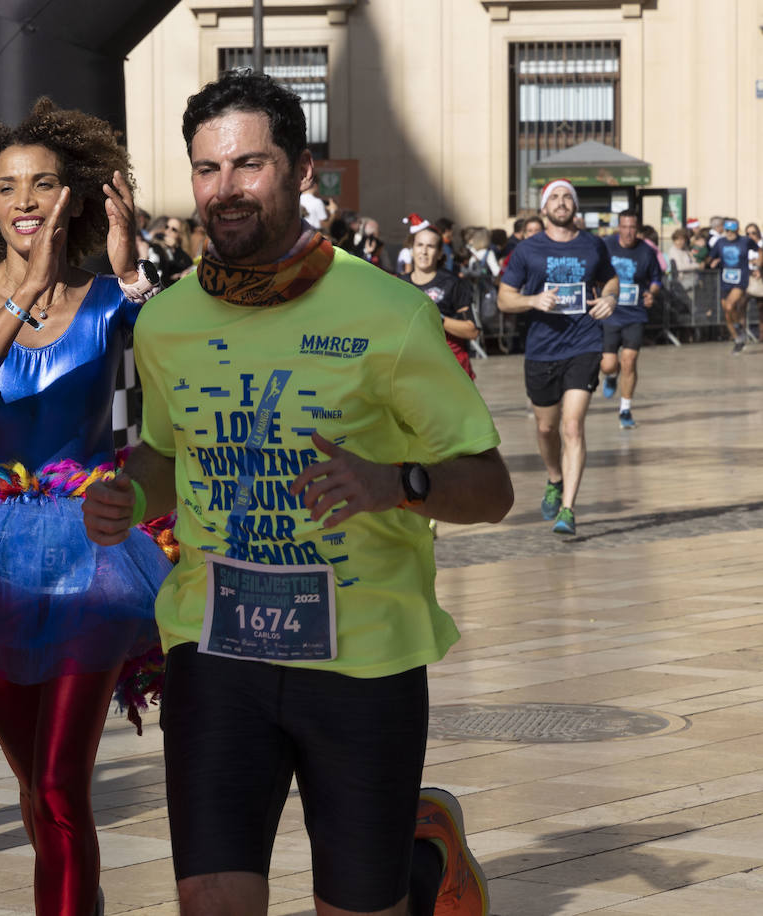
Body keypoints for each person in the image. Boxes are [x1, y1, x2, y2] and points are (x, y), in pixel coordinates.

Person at [84, 70, 512, 916]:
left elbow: (491, 488)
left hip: (361, 661)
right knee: (211, 901)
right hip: (215, 647)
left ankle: (419, 865)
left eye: (249, 165)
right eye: (208, 169)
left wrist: (398, 483)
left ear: (302, 170)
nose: (225, 190)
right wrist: (126, 495)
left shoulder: (389, 314)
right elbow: (168, 455)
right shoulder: (166, 322)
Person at [0, 98, 170, 916]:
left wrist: (127, 273)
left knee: (58, 785)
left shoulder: (111, 301)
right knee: (33, 786)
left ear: (72, 199)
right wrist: (24, 297)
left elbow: (165, 371)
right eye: (8, 186)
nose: (24, 201)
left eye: (43, 184)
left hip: (89, 546)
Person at [498, 179, 617, 535]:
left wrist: (611, 298)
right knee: (547, 428)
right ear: (544, 208)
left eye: (568, 197)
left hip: (584, 344)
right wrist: (533, 301)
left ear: (575, 207)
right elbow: (505, 298)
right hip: (541, 349)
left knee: (572, 426)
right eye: (555, 198)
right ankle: (554, 477)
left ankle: (568, 509)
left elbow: (610, 280)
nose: (562, 202)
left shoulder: (593, 245)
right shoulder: (527, 250)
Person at [600, 211, 662, 428]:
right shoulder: (606, 245)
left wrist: (651, 293)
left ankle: (625, 409)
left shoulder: (646, 251)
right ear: (618, 227)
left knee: (629, 361)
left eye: (632, 228)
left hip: (634, 314)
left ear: (638, 228)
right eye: (624, 227)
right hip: (610, 313)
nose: (628, 232)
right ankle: (610, 376)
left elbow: (656, 279)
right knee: (608, 365)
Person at [408, 224, 479, 379]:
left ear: (440, 253)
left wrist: (436, 318)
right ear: (412, 249)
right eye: (419, 245)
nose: (424, 251)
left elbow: (472, 331)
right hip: (412, 369)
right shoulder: (400, 284)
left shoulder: (453, 283)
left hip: (449, 370)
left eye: (431, 246)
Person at [707, 218, 760, 353]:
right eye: (727, 230)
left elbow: (760, 250)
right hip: (725, 279)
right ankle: (738, 338)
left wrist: (758, 264)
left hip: (740, 278)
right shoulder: (720, 242)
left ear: (737, 230)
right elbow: (711, 257)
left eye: (732, 230)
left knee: (730, 305)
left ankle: (739, 329)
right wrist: (709, 261)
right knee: (727, 311)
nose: (729, 233)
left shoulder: (745, 241)